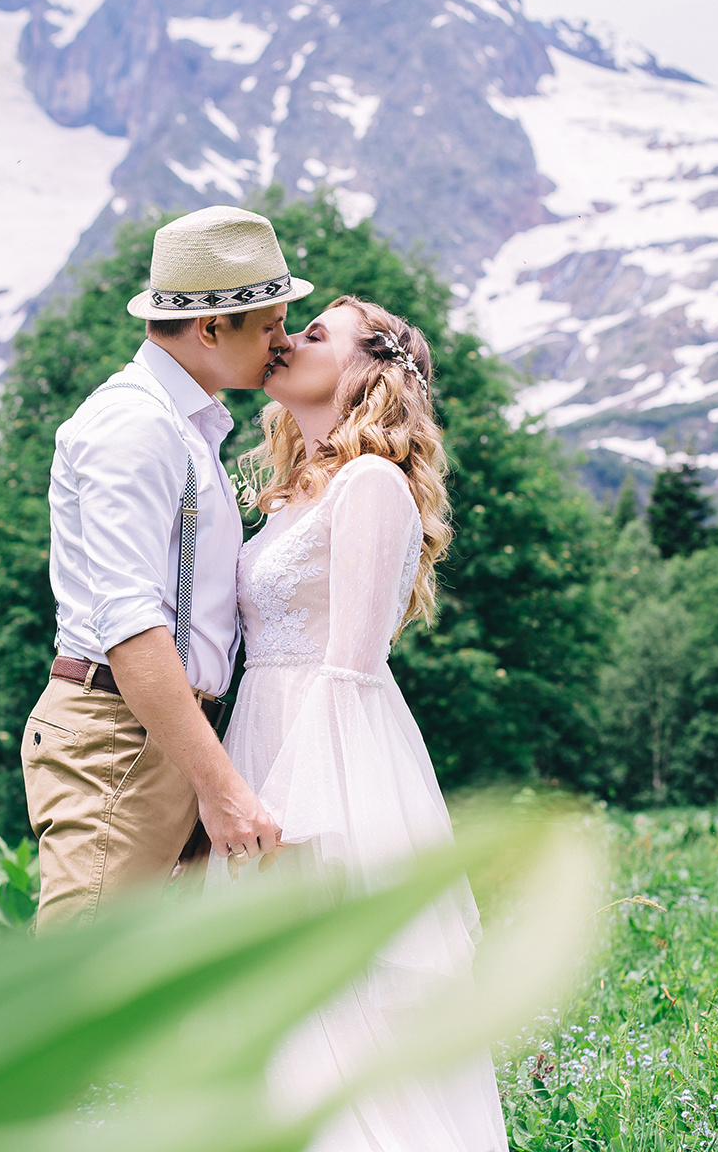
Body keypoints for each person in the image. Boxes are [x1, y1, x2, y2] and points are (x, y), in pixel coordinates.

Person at [215, 296, 507, 1151]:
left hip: (329, 758)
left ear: (369, 370)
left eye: (314, 335)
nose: (287, 341)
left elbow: (353, 665)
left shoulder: (372, 482)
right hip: (261, 733)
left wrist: (292, 815)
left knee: (341, 1009)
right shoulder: (285, 495)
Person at [21, 205, 301, 927]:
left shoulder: (185, 424)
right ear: (211, 328)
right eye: (269, 323)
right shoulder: (134, 425)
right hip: (120, 736)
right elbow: (130, 623)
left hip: (165, 732)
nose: (283, 341)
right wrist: (223, 788)